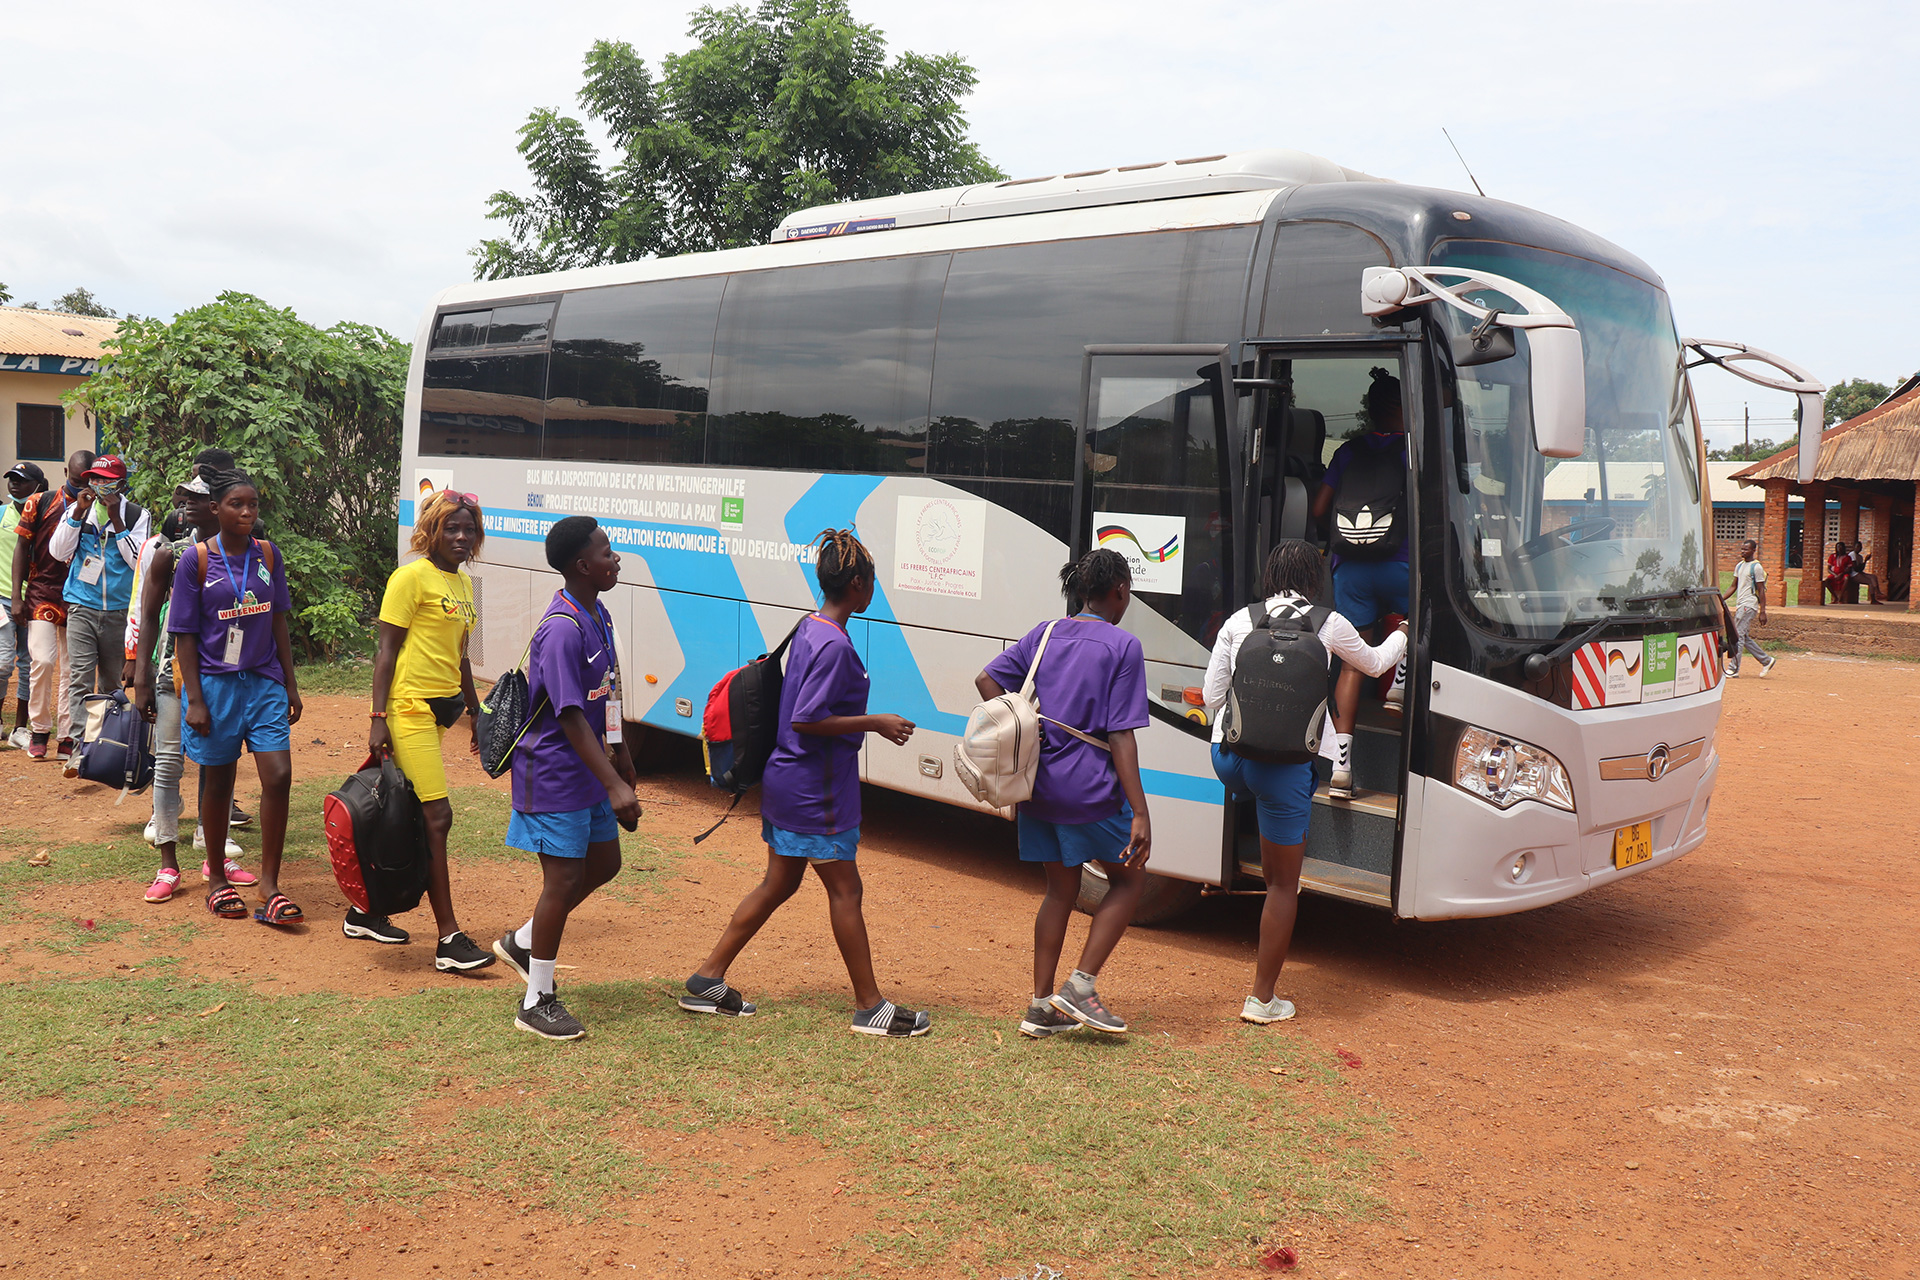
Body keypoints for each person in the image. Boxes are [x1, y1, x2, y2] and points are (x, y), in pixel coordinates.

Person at [680, 528, 930, 1039]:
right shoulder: (834, 645)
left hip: (787, 779)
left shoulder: (811, 626)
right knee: (846, 889)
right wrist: (875, 721)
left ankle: (706, 979)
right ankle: (869, 1007)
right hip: (816, 789)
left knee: (780, 882)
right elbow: (806, 719)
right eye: (872, 580)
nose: (875, 589)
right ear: (856, 584)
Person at [1205, 540, 1406, 1024]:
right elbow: (1377, 664)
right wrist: (1404, 632)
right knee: (1281, 886)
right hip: (1284, 769)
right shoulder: (1329, 623)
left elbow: (1213, 696)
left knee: (1253, 787)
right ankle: (1261, 1000)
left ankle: (1255, 796)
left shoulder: (1239, 620)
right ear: (1314, 579)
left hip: (1228, 759)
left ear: (1270, 575)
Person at [972, 547, 1152, 1038]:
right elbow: (1121, 736)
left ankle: (1039, 1006)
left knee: (1060, 890)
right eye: (1128, 592)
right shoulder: (1122, 646)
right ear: (1118, 591)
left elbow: (987, 679)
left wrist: (1026, 725)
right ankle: (1080, 986)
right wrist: (1140, 810)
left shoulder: (1046, 632)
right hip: (1088, 789)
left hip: (1037, 786)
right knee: (1130, 880)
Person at [488, 517, 640, 1040]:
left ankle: (523, 941)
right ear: (582, 566)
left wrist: (622, 755)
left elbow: (609, 692)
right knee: (563, 880)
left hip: (589, 770)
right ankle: (537, 1000)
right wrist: (615, 785)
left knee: (605, 862)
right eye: (606, 552)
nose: (615, 558)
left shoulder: (598, 613)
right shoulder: (561, 628)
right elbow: (571, 715)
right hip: (553, 773)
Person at [362, 489, 494, 972]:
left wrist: (476, 711)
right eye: (452, 528)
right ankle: (448, 938)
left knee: (400, 811)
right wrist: (378, 719)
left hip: (441, 712)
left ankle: (365, 908)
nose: (462, 537)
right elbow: (386, 653)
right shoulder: (410, 577)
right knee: (436, 817)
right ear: (432, 530)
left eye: (469, 529)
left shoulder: (462, 584)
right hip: (408, 708)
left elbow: (460, 654)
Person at [169, 468, 302, 925]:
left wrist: (291, 682)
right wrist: (197, 699)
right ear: (215, 509)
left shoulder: (268, 554)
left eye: (253, 505)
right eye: (236, 505)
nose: (247, 512)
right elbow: (184, 634)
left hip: (262, 680)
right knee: (219, 782)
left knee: (279, 775)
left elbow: (279, 618)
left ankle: (270, 883)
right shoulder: (195, 561)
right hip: (215, 684)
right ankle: (217, 882)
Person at [127, 479, 256, 902]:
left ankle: (213, 854)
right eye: (185, 499)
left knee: (218, 765)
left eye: (199, 500)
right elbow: (148, 616)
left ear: (214, 507)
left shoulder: (240, 551)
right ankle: (167, 863)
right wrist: (141, 674)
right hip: (171, 674)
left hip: (220, 674)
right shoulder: (170, 554)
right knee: (168, 764)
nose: (188, 507)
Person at [1309, 369, 1409, 798]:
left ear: (1369, 411)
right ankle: (1400, 683)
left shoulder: (1348, 451)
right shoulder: (1414, 450)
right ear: (1404, 409)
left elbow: (1318, 509)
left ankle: (1341, 770)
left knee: (1351, 664)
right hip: (1401, 564)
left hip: (1350, 567)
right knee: (1415, 618)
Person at [51, 454, 149, 779]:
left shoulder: (137, 515)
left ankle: (105, 749)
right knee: (80, 678)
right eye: (94, 479)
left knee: (110, 684)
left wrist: (117, 521)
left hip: (119, 611)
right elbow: (58, 552)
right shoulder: (78, 511)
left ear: (120, 484)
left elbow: (138, 562)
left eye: (107, 481)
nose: (99, 486)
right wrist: (78, 513)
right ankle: (81, 751)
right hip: (81, 606)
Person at [11, 449, 91, 761]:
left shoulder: (99, 507)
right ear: (65, 476)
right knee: (42, 661)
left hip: (80, 595)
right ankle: (39, 728)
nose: (82, 487)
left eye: (88, 481)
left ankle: (67, 736)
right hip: (43, 591)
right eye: (75, 481)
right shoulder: (40, 501)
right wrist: (17, 596)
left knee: (73, 670)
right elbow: (22, 547)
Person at [0, 462, 44, 741]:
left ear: (38, 486)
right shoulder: (2, 514)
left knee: (30, 664)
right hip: (2, 598)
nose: (15, 484)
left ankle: (20, 728)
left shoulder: (46, 517)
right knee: (3, 661)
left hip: (36, 601)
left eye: (22, 480)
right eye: (12, 479)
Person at [1721, 539, 1773, 678]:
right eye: (1742, 549)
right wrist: (1719, 598)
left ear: (1753, 550)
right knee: (1743, 636)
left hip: (1749, 605)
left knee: (1738, 636)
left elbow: (1761, 590)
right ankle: (1766, 660)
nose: (1743, 552)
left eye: (1746, 549)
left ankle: (1733, 668)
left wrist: (1762, 611)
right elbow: (1733, 586)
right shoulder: (1739, 566)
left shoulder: (1756, 567)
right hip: (1741, 604)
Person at [1823, 540, 1852, 606]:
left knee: (1847, 578)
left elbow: (1849, 569)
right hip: (1834, 574)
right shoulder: (1832, 556)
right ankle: (1835, 597)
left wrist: (1841, 574)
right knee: (1826, 581)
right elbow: (1828, 569)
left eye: (1841, 547)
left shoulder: (1847, 557)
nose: (1839, 549)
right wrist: (1835, 575)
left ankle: (1840, 598)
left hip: (1843, 574)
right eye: (1838, 547)